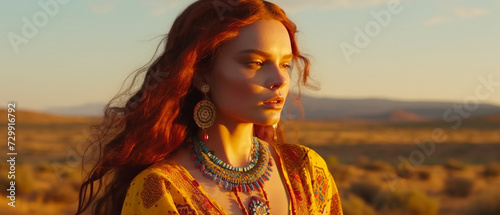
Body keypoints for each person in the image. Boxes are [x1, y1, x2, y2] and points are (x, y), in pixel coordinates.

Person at [76, 0, 342, 214]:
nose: (280, 80)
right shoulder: (161, 190)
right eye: (255, 63)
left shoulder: (307, 171)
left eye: (285, 64)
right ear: (201, 74)